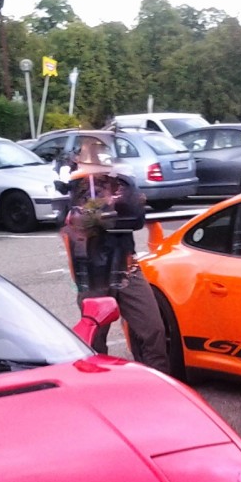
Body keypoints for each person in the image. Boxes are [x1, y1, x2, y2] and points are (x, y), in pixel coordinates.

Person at [58, 140, 169, 372]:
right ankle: (101, 386)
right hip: (93, 274)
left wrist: (108, 209)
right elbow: (76, 222)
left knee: (154, 329)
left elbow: (136, 217)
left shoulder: (123, 181)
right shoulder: (74, 184)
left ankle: (157, 383)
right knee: (96, 339)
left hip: (127, 269)